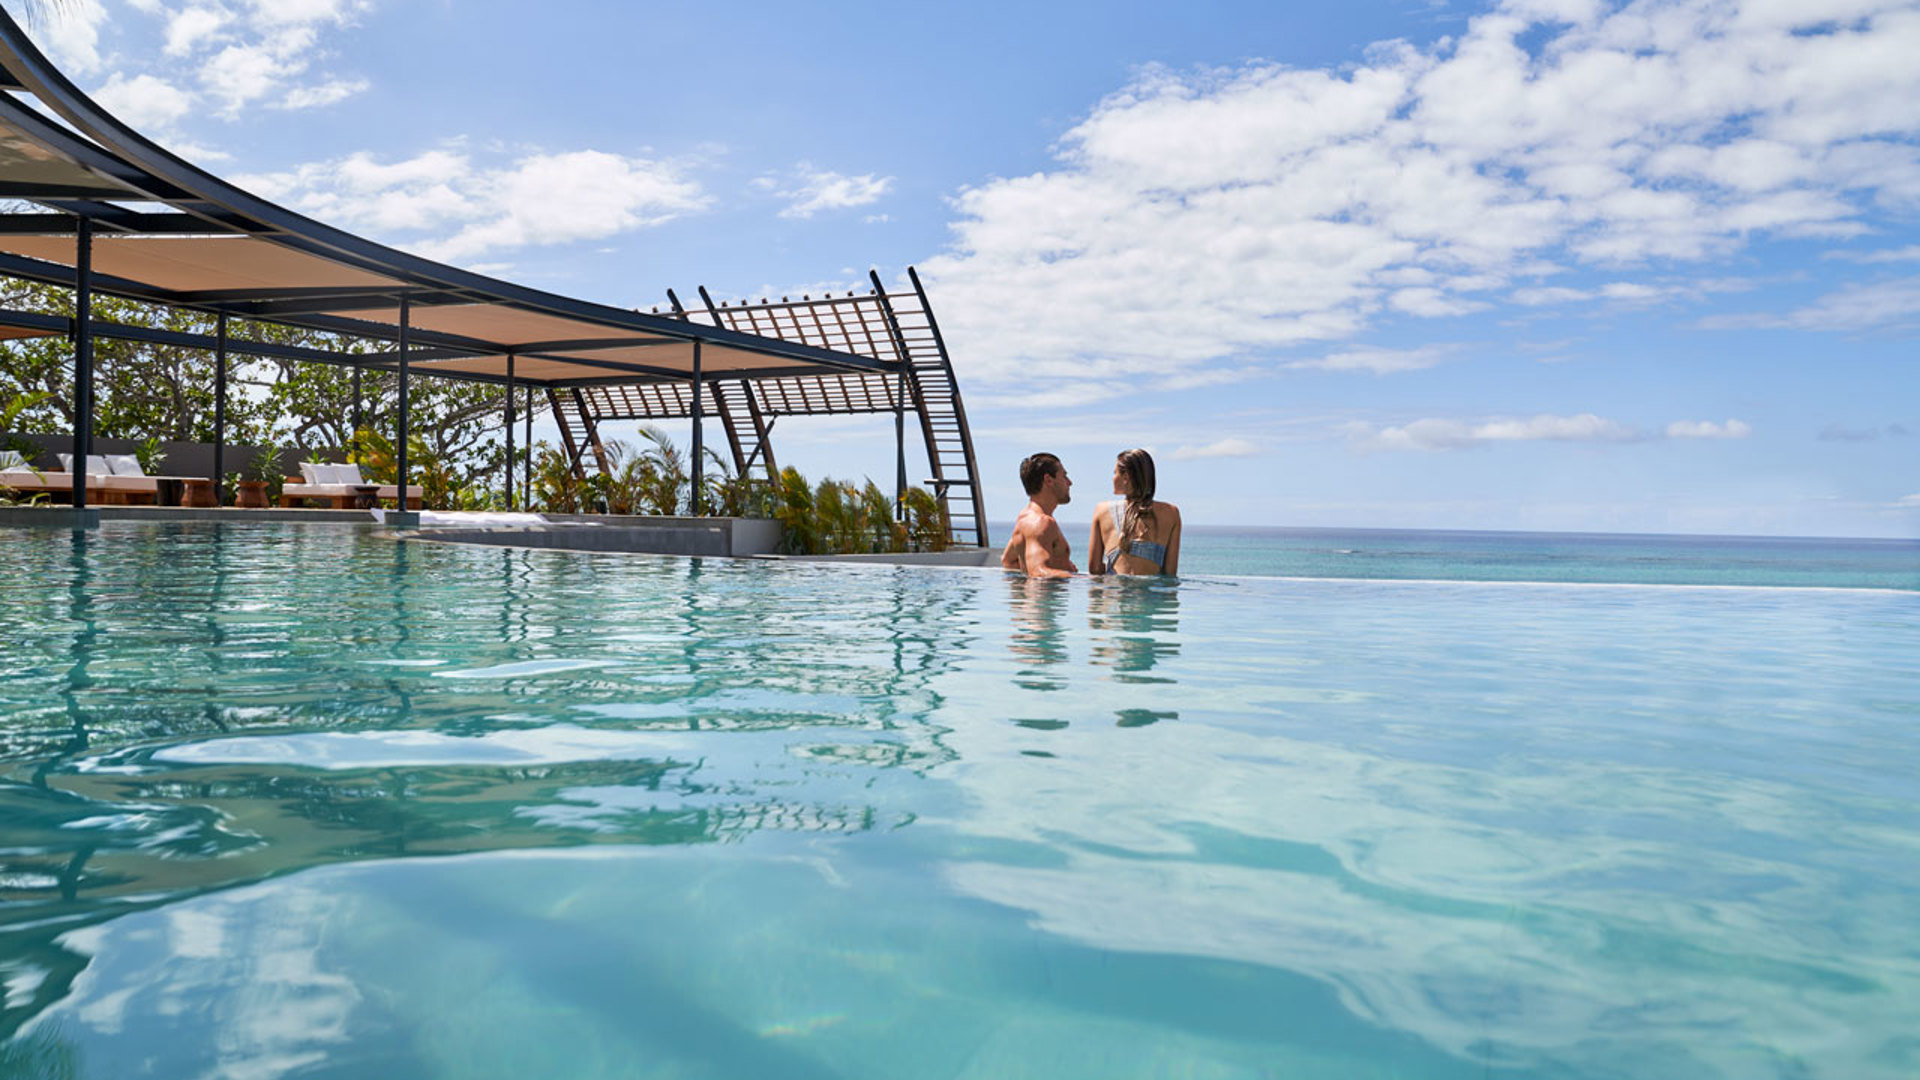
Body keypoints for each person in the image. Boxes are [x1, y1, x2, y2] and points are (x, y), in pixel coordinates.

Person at [1088, 448, 1180, 576]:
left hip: (1114, 588)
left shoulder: (1102, 510)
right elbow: (1170, 573)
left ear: (1125, 477)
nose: (1113, 478)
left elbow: (1095, 569)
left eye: (1115, 473)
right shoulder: (1171, 513)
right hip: (1152, 589)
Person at [1000, 452, 1077, 578]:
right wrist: (1084, 580)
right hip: (1046, 592)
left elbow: (1008, 561)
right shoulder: (1042, 522)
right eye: (1064, 476)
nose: (1070, 482)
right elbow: (1038, 572)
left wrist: (1061, 567)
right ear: (1048, 480)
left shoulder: (1024, 519)